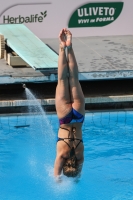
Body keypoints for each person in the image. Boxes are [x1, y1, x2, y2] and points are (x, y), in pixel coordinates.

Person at [54, 28, 85, 177]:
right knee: (61, 80)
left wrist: (77, 175)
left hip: (78, 117)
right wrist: (58, 179)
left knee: (73, 79)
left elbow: (78, 172)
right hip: (65, 118)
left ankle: (70, 46)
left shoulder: (80, 154)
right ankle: (62, 47)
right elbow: (56, 175)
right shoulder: (62, 154)